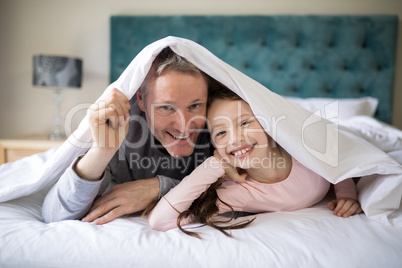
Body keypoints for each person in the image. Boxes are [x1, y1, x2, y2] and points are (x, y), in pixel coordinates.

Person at [147, 85, 363, 237]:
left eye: (245, 123)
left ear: (268, 125)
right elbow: (160, 221)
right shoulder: (239, 192)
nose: (235, 139)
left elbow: (337, 159)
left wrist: (347, 195)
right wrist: (214, 165)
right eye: (221, 133)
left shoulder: (304, 150)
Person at [42, 47, 220, 224]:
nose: (184, 126)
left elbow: (242, 193)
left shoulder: (223, 124)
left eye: (195, 106)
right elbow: (55, 215)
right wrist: (101, 152)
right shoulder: (121, 127)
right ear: (141, 100)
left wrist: (159, 188)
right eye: (166, 107)